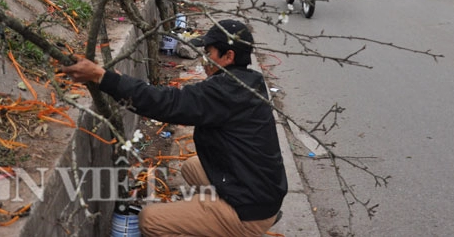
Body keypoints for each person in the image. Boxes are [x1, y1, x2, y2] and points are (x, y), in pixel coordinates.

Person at [61, 19, 286, 237]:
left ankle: (232, 227)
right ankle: (218, 221)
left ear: (228, 56)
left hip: (250, 210)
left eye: (209, 53)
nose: (204, 59)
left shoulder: (225, 92)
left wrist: (101, 77)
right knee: (191, 167)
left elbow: (168, 103)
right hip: (261, 193)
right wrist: (115, 79)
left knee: (149, 220)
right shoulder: (246, 82)